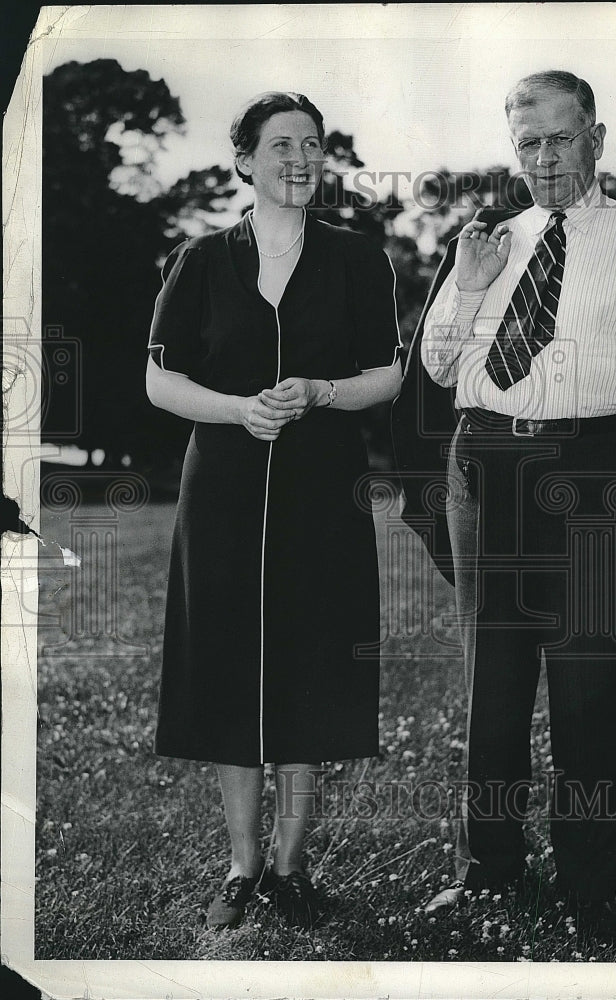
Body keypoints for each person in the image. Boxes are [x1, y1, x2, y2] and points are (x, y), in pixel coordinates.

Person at [395, 70, 616, 936]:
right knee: (490, 690)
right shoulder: (490, 242)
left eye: (559, 139)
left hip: (594, 471)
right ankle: (488, 872)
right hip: (484, 470)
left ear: (595, 140)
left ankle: (591, 888)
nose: (542, 158)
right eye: (526, 143)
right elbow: (438, 369)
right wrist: (464, 284)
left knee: (586, 692)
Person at [146, 91, 402, 931]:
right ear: (245, 161)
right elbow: (159, 380)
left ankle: (291, 868)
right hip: (220, 488)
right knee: (227, 666)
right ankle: (241, 864)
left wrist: (325, 391)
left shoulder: (359, 260)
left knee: (308, 666)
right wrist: (235, 409)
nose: (298, 158)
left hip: (322, 489)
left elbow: (386, 374)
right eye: (280, 144)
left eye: (312, 145)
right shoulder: (199, 259)